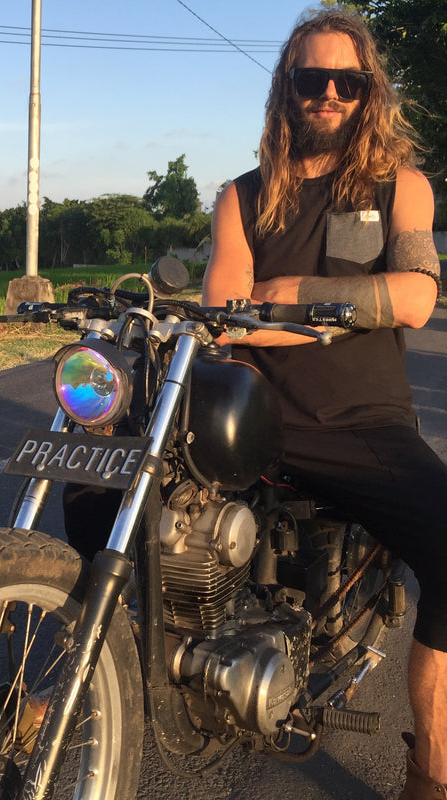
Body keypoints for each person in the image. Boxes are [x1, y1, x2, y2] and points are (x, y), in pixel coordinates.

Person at [202, 10, 445, 798]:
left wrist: (289, 297)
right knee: (106, 497)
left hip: (364, 425)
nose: (330, 94)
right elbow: (223, 315)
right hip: (258, 419)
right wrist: (323, 317)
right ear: (288, 89)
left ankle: (430, 770)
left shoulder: (400, 186)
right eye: (313, 80)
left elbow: (413, 297)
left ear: (368, 91)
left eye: (348, 81)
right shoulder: (240, 198)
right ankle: (51, 688)